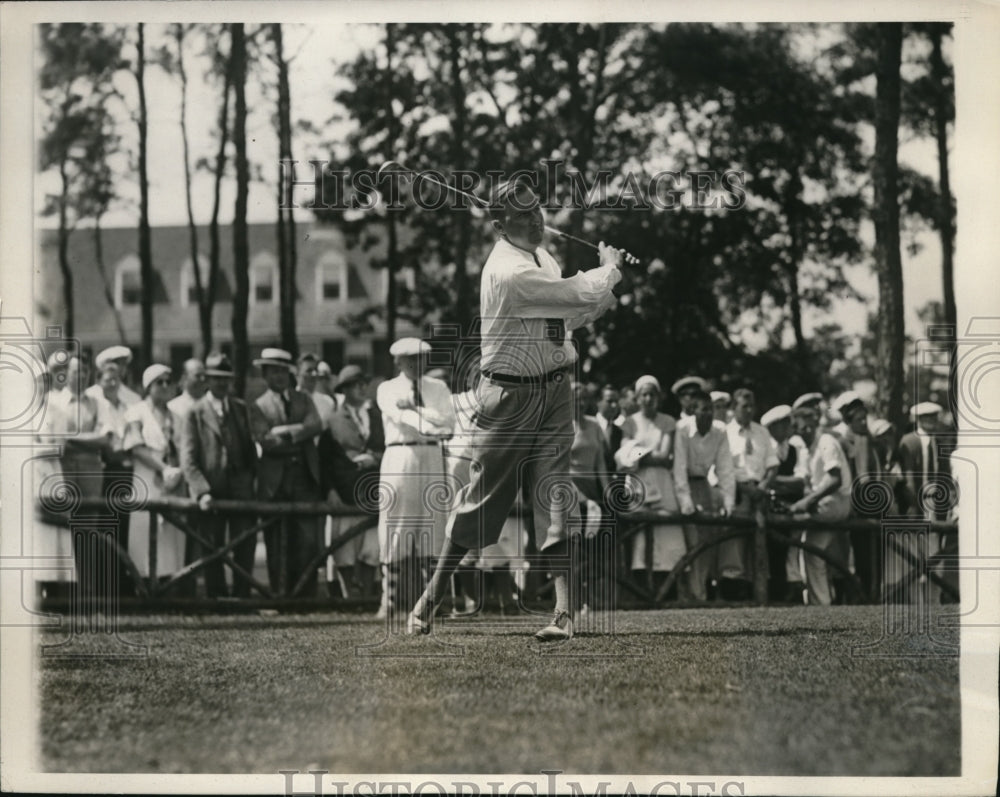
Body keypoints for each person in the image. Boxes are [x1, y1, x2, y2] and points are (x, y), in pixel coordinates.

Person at [407, 178, 625, 640]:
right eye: (521, 216)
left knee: (555, 496)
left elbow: (564, 315)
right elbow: (573, 295)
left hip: (554, 391)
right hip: (507, 398)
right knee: (481, 506)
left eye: (537, 211)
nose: (535, 220)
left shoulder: (543, 258)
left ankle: (564, 615)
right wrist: (608, 272)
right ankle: (430, 598)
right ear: (498, 224)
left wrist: (600, 297)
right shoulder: (507, 271)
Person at [376, 338, 456, 626]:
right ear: (398, 361)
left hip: (433, 456)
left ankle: (433, 600)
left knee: (433, 523)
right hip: (401, 454)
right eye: (410, 358)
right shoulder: (387, 388)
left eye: (422, 357)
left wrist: (418, 410)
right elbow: (400, 417)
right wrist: (429, 421)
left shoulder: (439, 388)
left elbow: (450, 425)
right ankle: (389, 600)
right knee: (396, 522)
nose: (417, 363)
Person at [179, 353, 259, 599]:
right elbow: (188, 459)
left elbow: (249, 449)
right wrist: (202, 491)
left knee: (245, 544)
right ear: (207, 380)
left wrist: (251, 479)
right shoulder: (195, 412)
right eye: (216, 379)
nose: (222, 384)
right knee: (211, 546)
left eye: (226, 379)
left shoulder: (239, 408)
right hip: (211, 491)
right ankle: (216, 598)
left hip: (241, 489)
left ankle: (243, 595)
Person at [249, 348, 324, 596]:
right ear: (265, 375)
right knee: (276, 542)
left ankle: (306, 596)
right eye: (273, 372)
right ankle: (280, 595)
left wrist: (286, 431)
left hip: (305, 479)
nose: (278, 377)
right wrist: (299, 434)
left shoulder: (304, 399)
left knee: (308, 541)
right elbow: (266, 441)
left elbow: (316, 425)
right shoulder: (258, 406)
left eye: (282, 371)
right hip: (275, 483)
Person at [39, 355, 113, 597]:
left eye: (84, 371)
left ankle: (87, 589)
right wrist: (85, 440)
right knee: (60, 528)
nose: (80, 376)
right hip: (61, 472)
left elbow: (104, 439)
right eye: (75, 371)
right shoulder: (55, 402)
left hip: (91, 472)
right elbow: (52, 440)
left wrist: (70, 438)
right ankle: (61, 589)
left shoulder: (98, 403)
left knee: (88, 529)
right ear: (65, 374)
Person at [123, 364, 191, 593]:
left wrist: (177, 471)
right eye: (158, 382)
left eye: (167, 382)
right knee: (144, 532)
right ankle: (144, 588)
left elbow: (184, 448)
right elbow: (135, 446)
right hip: (147, 478)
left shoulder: (177, 416)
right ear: (148, 387)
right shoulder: (136, 411)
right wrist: (163, 469)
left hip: (173, 481)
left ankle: (170, 587)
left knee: (172, 536)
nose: (164, 386)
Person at [616, 375, 685, 600]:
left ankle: (667, 591)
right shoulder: (629, 423)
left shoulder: (668, 422)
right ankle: (640, 592)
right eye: (644, 394)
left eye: (652, 394)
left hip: (663, 483)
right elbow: (624, 457)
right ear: (637, 398)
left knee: (668, 535)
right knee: (639, 538)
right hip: (638, 483)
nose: (648, 399)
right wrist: (640, 455)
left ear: (659, 397)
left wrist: (637, 453)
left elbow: (665, 457)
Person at [327, 364, 384, 598]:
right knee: (345, 548)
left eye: (364, 384)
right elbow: (326, 459)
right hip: (345, 491)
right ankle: (350, 596)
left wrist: (374, 458)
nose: (362, 389)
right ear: (344, 389)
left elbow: (388, 447)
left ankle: (368, 596)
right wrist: (330, 489)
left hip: (373, 491)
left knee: (372, 548)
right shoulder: (333, 420)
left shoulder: (377, 417)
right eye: (355, 385)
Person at [673, 389, 735, 602]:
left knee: (706, 544)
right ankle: (686, 595)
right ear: (693, 411)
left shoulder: (720, 430)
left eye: (710, 409)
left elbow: (725, 468)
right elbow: (679, 467)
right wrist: (687, 504)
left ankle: (700, 594)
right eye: (703, 410)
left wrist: (728, 502)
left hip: (704, 486)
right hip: (682, 487)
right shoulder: (682, 429)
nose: (708, 414)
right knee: (686, 543)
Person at [787, 405, 853, 606]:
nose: (804, 432)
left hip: (837, 501)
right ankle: (821, 601)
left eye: (808, 427)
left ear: (815, 425)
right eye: (800, 429)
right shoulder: (805, 449)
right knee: (812, 551)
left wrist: (807, 502)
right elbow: (802, 480)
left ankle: (797, 583)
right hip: (822, 502)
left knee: (792, 523)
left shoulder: (826, 442)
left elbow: (835, 480)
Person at [895, 401, 955, 603]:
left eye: (934, 417)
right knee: (914, 557)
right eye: (926, 417)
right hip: (917, 505)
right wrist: (913, 504)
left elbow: (944, 473)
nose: (931, 421)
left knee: (935, 555)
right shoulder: (909, 441)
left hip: (936, 506)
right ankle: (916, 602)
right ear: (918, 419)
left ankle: (934, 601)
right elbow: (909, 478)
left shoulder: (939, 441)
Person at [722, 388, 778, 600]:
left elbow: (773, 465)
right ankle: (733, 591)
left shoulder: (762, 432)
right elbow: (723, 468)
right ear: (733, 408)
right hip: (737, 491)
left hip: (760, 492)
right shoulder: (725, 433)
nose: (749, 410)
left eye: (751, 405)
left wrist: (762, 487)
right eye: (744, 406)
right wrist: (745, 489)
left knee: (759, 542)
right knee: (734, 545)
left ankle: (758, 592)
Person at [568, 382, 613, 625]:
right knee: (573, 551)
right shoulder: (561, 425)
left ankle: (589, 600)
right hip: (570, 494)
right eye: (576, 398)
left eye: (584, 398)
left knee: (592, 550)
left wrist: (607, 495)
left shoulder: (595, 426)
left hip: (593, 495)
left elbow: (600, 466)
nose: (580, 402)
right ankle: (570, 603)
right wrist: (581, 499)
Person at [830, 391, 882, 603]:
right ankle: (845, 597)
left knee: (865, 555)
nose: (862, 422)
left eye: (864, 417)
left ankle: (867, 596)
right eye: (856, 416)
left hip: (865, 505)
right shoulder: (838, 438)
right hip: (847, 502)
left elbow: (872, 475)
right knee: (842, 554)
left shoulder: (867, 440)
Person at [761, 404, 808, 603]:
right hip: (770, 507)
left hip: (790, 508)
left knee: (791, 551)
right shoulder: (765, 448)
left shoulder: (795, 449)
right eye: (784, 423)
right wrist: (784, 483)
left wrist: (775, 480)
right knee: (771, 551)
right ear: (773, 427)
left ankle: (791, 592)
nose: (789, 427)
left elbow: (800, 482)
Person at [298, 353, 337, 432]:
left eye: (316, 370)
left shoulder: (327, 403)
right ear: (298, 373)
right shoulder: (288, 399)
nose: (314, 374)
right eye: (309, 370)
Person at [593, 384, 623, 473]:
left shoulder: (620, 431)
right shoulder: (589, 426)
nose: (614, 405)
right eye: (609, 401)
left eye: (616, 401)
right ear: (598, 401)